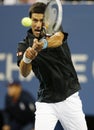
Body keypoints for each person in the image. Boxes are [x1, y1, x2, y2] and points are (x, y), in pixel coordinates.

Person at [16, 2, 88, 130]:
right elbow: (24, 72)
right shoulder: (24, 44)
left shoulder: (55, 31)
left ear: (47, 21)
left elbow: (58, 39)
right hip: (46, 102)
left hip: (69, 97)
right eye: (35, 20)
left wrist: (42, 44)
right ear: (30, 20)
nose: (38, 24)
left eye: (41, 20)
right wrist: (27, 58)